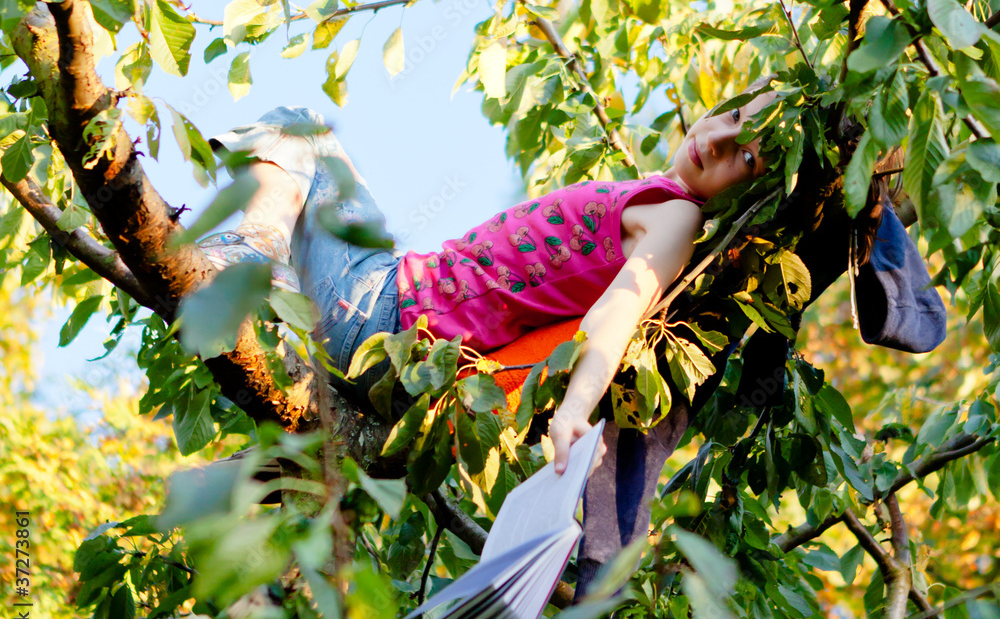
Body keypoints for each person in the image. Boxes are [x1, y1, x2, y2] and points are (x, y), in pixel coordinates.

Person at [200, 90, 776, 475]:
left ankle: (256, 252)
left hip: (386, 319)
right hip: (393, 330)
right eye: (733, 118)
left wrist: (574, 408)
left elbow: (620, 312)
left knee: (299, 128)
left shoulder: (679, 215)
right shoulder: (655, 194)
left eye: (746, 159)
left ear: (748, 194)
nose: (721, 143)